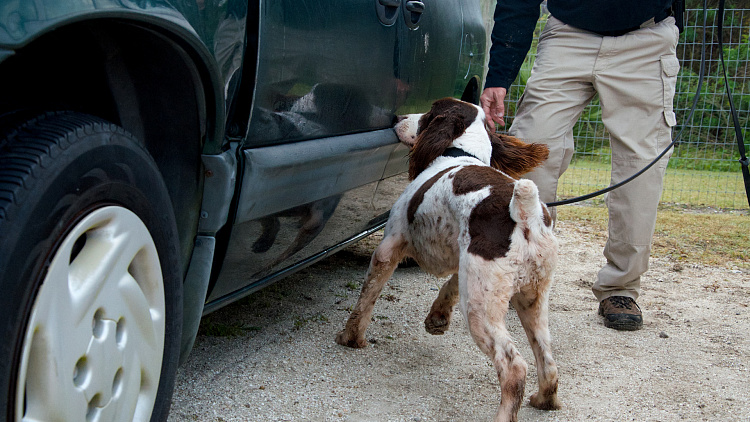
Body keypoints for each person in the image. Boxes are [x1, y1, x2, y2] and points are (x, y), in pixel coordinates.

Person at [480, 0, 683, 331]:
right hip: (568, 35)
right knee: (532, 151)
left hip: (646, 41)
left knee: (640, 173)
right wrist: (499, 75)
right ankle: (523, 273)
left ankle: (620, 288)